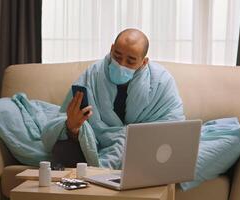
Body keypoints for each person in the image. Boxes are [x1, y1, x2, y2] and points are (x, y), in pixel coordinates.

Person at [52, 28, 184, 168]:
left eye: (131, 61)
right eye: (117, 56)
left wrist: (127, 138)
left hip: (141, 147)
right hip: (97, 145)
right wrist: (73, 128)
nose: (121, 65)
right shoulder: (92, 75)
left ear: (144, 62)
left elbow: (173, 125)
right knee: (63, 150)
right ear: (112, 48)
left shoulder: (162, 81)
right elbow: (66, 122)